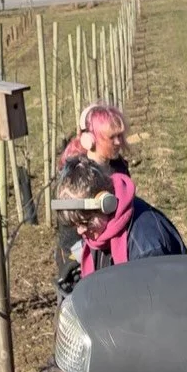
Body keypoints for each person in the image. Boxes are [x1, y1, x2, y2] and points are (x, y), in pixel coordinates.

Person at [10, 157, 187, 372]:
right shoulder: (106, 232)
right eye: (74, 224)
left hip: (167, 347)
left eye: (84, 222)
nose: (81, 232)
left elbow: (157, 327)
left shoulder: (146, 243)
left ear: (104, 203)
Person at [54, 103, 130, 297]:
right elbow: (70, 227)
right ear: (90, 140)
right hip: (80, 254)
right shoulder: (79, 177)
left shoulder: (119, 166)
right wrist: (77, 261)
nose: (118, 142)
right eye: (112, 137)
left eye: (120, 135)